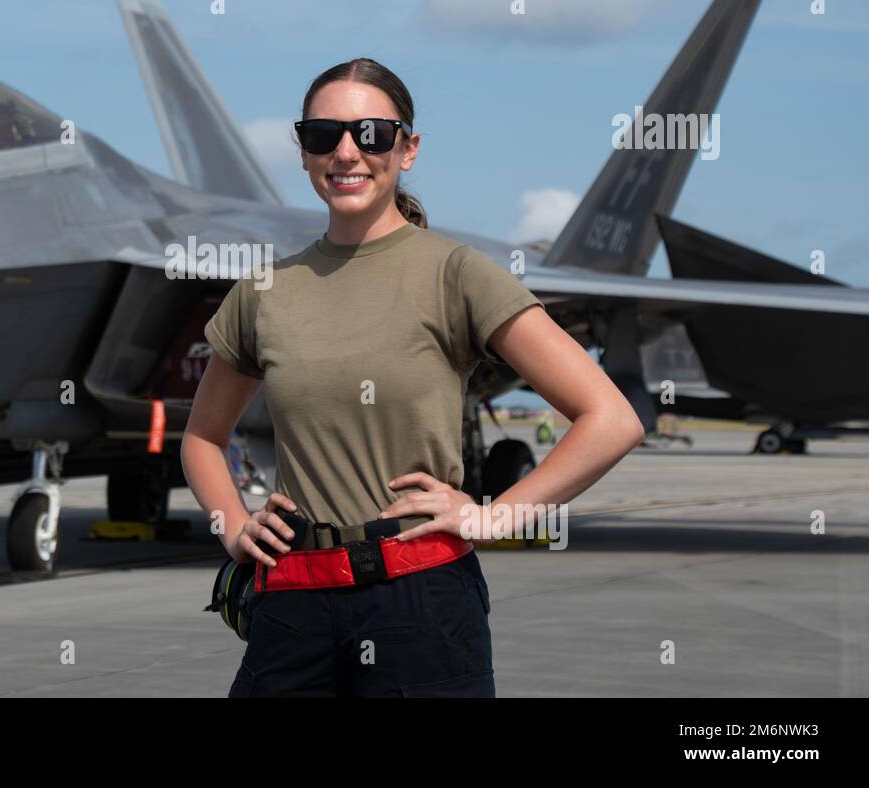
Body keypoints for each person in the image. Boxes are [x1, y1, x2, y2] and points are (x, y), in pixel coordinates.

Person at [180, 58, 645, 697]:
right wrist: (234, 527)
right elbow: (202, 438)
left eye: (371, 133)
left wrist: (493, 517)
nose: (346, 152)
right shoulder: (264, 291)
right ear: (304, 151)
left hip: (420, 600)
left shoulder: (456, 274)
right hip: (293, 602)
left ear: (408, 148)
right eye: (323, 136)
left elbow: (611, 419)